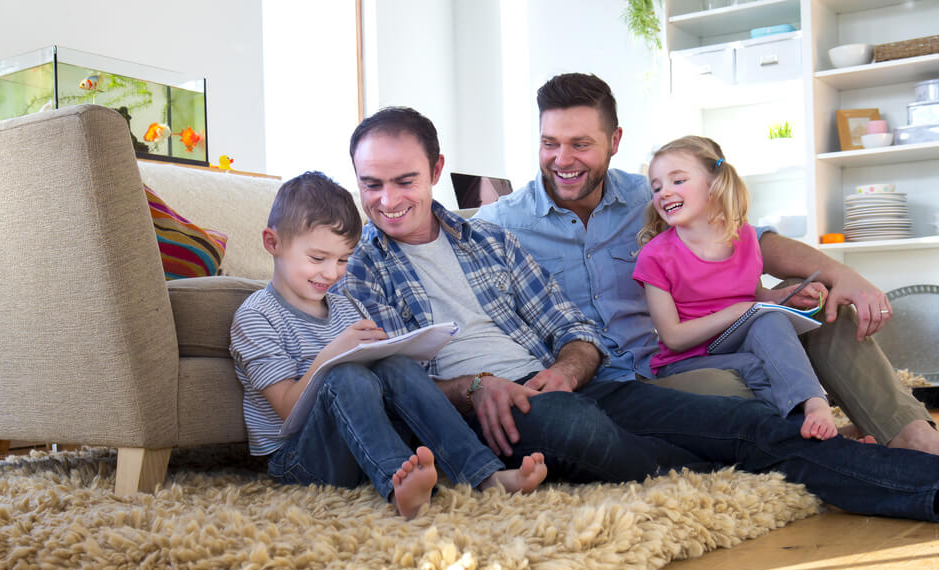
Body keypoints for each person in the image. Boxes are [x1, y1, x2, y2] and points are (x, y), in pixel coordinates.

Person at [339, 104, 939, 523]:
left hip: (592, 382)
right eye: (371, 184)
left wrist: (571, 369)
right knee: (586, 431)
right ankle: (727, 462)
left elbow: (573, 328)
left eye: (405, 180)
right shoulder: (359, 269)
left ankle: (921, 483)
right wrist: (473, 388)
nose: (388, 200)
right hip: (517, 409)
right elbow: (396, 384)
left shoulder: (491, 242)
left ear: (437, 171)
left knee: (754, 428)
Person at [474, 72, 939, 454]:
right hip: (632, 384)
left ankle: (913, 437)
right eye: (549, 143)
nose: (562, 160)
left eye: (580, 144)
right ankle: (822, 427)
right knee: (742, 390)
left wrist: (844, 275)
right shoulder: (500, 223)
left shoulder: (653, 196)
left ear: (614, 140)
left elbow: (749, 239)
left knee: (825, 317)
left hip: (684, 352)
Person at [229, 171, 547, 520]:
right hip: (298, 461)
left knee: (396, 366)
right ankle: (399, 484)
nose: (332, 274)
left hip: (358, 441)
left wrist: (391, 353)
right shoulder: (256, 317)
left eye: (343, 260)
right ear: (272, 243)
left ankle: (485, 475)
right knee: (344, 376)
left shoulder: (344, 306)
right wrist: (334, 353)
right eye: (318, 259)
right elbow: (288, 412)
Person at [633, 135, 836, 440]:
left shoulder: (745, 238)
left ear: (713, 185)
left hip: (737, 338)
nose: (664, 193)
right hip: (686, 360)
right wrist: (741, 311)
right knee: (757, 366)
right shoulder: (656, 255)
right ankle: (808, 437)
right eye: (657, 186)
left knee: (771, 320)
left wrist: (783, 298)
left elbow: (752, 297)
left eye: (678, 180)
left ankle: (816, 405)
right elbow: (673, 338)